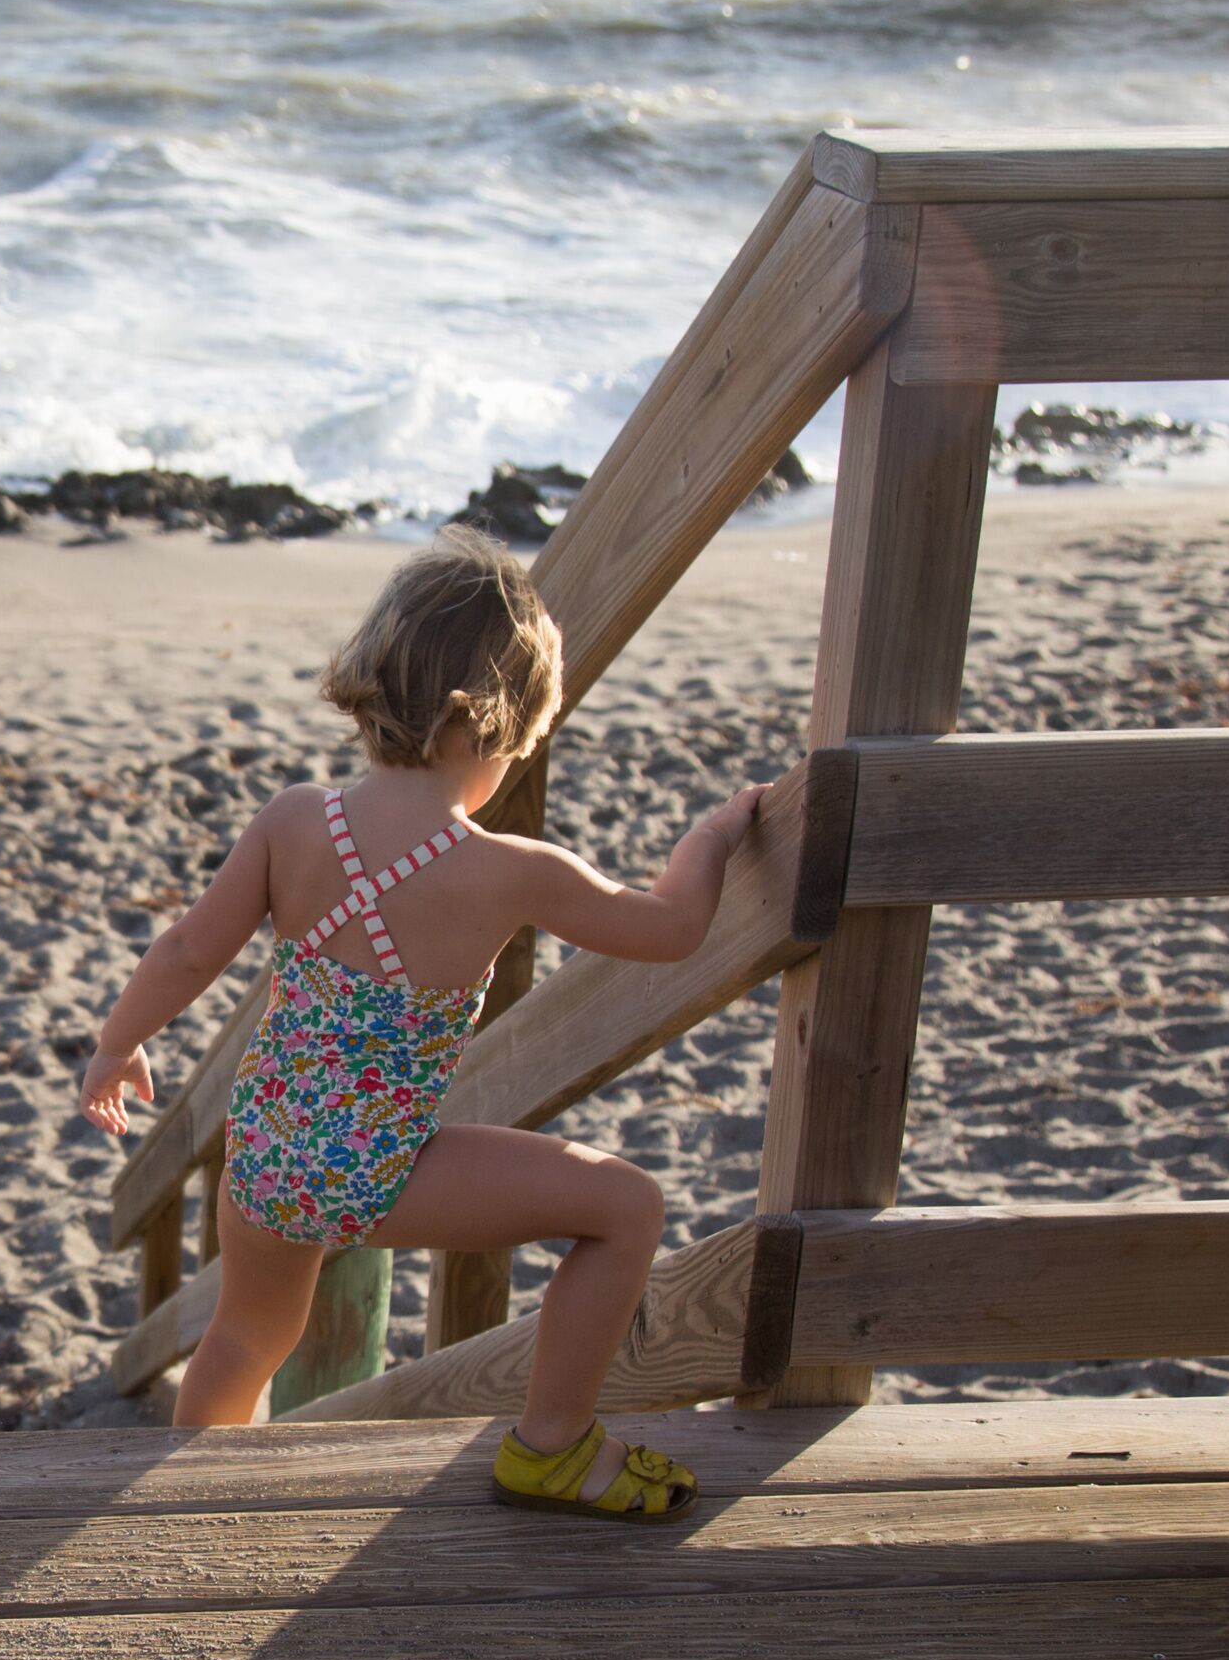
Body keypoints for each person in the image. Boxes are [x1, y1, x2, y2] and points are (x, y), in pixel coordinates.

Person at [77, 527, 767, 1518]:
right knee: (625, 1210)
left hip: (266, 1145)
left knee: (242, 1339)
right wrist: (708, 838)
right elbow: (667, 929)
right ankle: (553, 1443)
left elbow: (189, 949)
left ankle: (188, 1499)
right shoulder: (510, 870)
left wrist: (117, 1043)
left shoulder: (294, 820)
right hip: (381, 1172)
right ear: (494, 725)